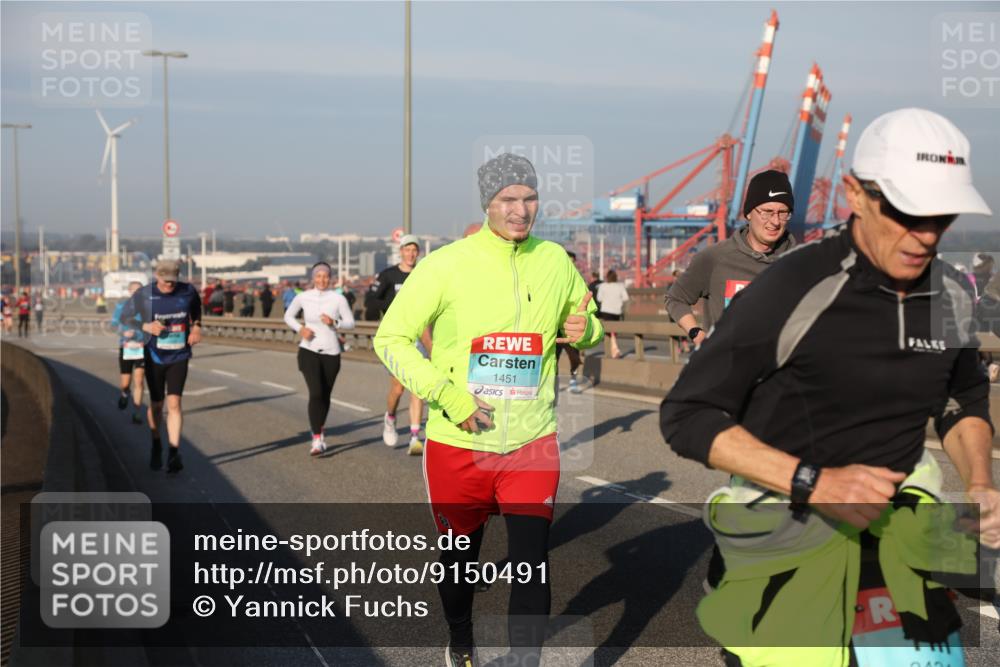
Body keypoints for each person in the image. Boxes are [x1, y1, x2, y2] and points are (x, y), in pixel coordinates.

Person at [660, 108, 1000, 667]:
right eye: (905, 212)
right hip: (792, 534)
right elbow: (687, 415)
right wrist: (814, 482)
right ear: (855, 195)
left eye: (942, 217)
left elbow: (962, 398)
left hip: (901, 536)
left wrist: (982, 482)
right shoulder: (793, 286)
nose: (925, 235)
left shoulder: (951, 294)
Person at [374, 153, 603, 667]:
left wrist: (585, 330)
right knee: (459, 567)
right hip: (459, 446)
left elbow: (588, 322)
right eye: (508, 200)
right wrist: (451, 398)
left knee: (531, 564)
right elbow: (391, 339)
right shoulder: (446, 264)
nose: (521, 210)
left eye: (529, 198)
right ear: (487, 204)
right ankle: (460, 639)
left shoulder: (555, 261)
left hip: (531, 440)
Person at [665, 169, 796, 348]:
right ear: (749, 213)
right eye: (767, 212)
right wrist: (696, 333)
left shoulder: (801, 261)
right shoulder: (715, 258)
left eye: (783, 213)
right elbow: (675, 298)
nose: (775, 221)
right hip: (726, 371)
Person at [121, 260, 203, 473]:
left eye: (173, 281)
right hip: (154, 356)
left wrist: (196, 327)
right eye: (166, 281)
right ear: (157, 276)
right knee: (157, 405)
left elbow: (197, 311)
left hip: (179, 355)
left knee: (174, 403)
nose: (170, 285)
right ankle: (157, 443)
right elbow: (125, 318)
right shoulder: (144, 295)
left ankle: (174, 452)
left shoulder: (187, 292)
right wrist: (146, 325)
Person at [284, 262, 355, 455]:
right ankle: (317, 439)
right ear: (313, 278)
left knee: (325, 395)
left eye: (325, 276)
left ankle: (319, 428)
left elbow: (350, 323)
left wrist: (335, 322)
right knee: (315, 393)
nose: (322, 280)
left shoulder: (338, 299)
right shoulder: (303, 297)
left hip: (332, 353)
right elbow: (288, 316)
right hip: (309, 351)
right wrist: (301, 329)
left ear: (330, 278)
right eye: (318, 276)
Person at [371, 235, 432, 456]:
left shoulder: (423, 274)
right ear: (401, 252)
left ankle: (415, 437)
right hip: (397, 338)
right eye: (407, 250)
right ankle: (390, 418)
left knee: (417, 388)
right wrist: (394, 304)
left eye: (415, 250)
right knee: (398, 388)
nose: (411, 254)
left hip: (420, 337)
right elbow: (372, 301)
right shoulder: (389, 275)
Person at [111, 281, 146, 424]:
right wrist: (124, 332)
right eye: (134, 291)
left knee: (139, 380)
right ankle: (125, 394)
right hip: (126, 347)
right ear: (129, 291)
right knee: (126, 383)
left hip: (141, 347)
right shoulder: (121, 306)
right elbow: (113, 325)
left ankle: (137, 412)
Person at [555, 250, 585, 395]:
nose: (570, 264)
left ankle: (573, 381)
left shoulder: (577, 280)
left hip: (571, 325)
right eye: (568, 261)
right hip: (554, 325)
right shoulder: (552, 278)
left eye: (572, 262)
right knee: (553, 357)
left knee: (574, 356)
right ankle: (552, 384)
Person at [596, 270, 630, 359]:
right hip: (617, 311)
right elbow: (626, 298)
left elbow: (599, 299)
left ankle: (613, 350)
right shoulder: (620, 286)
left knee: (609, 332)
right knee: (613, 331)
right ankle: (614, 350)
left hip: (606, 311)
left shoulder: (603, 286)